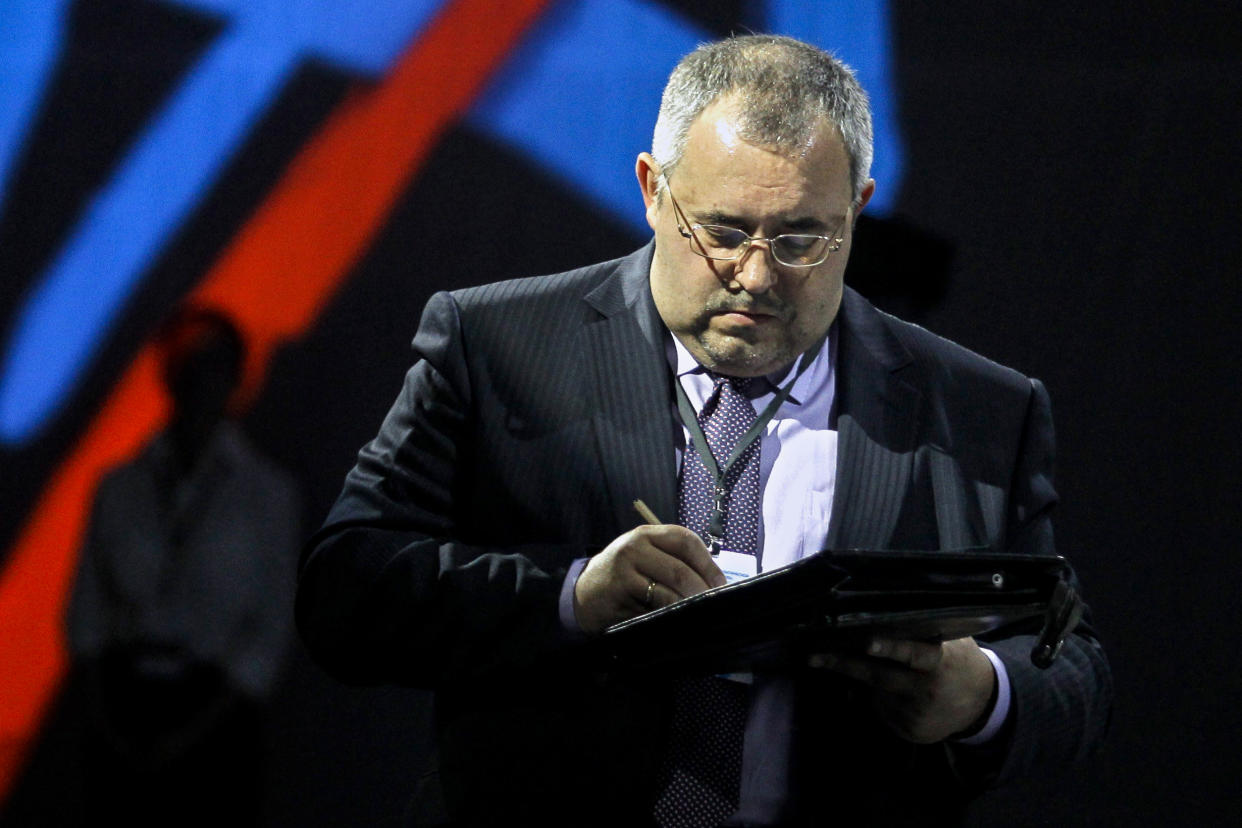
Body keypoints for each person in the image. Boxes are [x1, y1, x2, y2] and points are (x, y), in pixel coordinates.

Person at [296, 35, 1111, 827]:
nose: (755, 276)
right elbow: (345, 589)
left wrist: (980, 697)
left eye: (801, 239)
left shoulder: (978, 410)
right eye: (721, 232)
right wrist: (572, 596)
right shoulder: (495, 346)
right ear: (653, 190)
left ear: (857, 212)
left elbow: (1072, 672)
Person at [67, 306, 301, 826]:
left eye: (215, 366)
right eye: (190, 365)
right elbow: (87, 615)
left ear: (238, 376)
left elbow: (269, 632)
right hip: (123, 703)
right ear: (168, 374)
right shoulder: (118, 488)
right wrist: (108, 719)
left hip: (215, 718)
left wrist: (195, 728)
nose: (202, 381)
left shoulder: (268, 496)